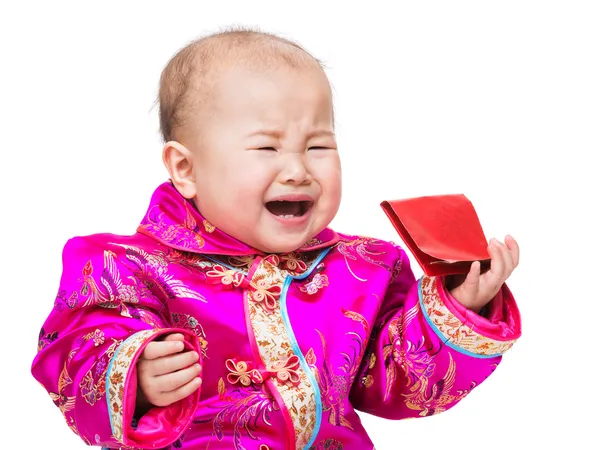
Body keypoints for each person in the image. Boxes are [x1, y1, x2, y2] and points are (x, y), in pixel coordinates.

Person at [32, 28, 521, 450]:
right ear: (186, 169)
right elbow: (71, 356)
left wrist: (458, 307)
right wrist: (133, 373)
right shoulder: (122, 265)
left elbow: (396, 386)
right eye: (266, 147)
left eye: (319, 145)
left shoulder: (364, 267)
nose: (298, 169)